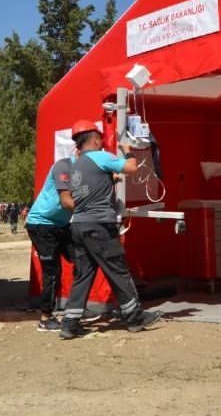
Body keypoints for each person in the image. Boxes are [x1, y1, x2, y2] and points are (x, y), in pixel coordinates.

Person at [57, 119, 162, 340]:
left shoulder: (76, 165)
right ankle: (135, 317)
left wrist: (111, 180)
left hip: (78, 225)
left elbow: (94, 185)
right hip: (99, 225)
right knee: (118, 271)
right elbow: (131, 168)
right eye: (100, 139)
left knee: (83, 275)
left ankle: (69, 323)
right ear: (95, 139)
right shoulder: (102, 157)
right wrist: (127, 151)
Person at [25, 156, 76, 331]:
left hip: (61, 225)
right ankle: (45, 318)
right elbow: (66, 200)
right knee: (52, 272)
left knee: (83, 258)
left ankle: (75, 310)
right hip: (42, 224)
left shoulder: (86, 172)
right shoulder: (64, 165)